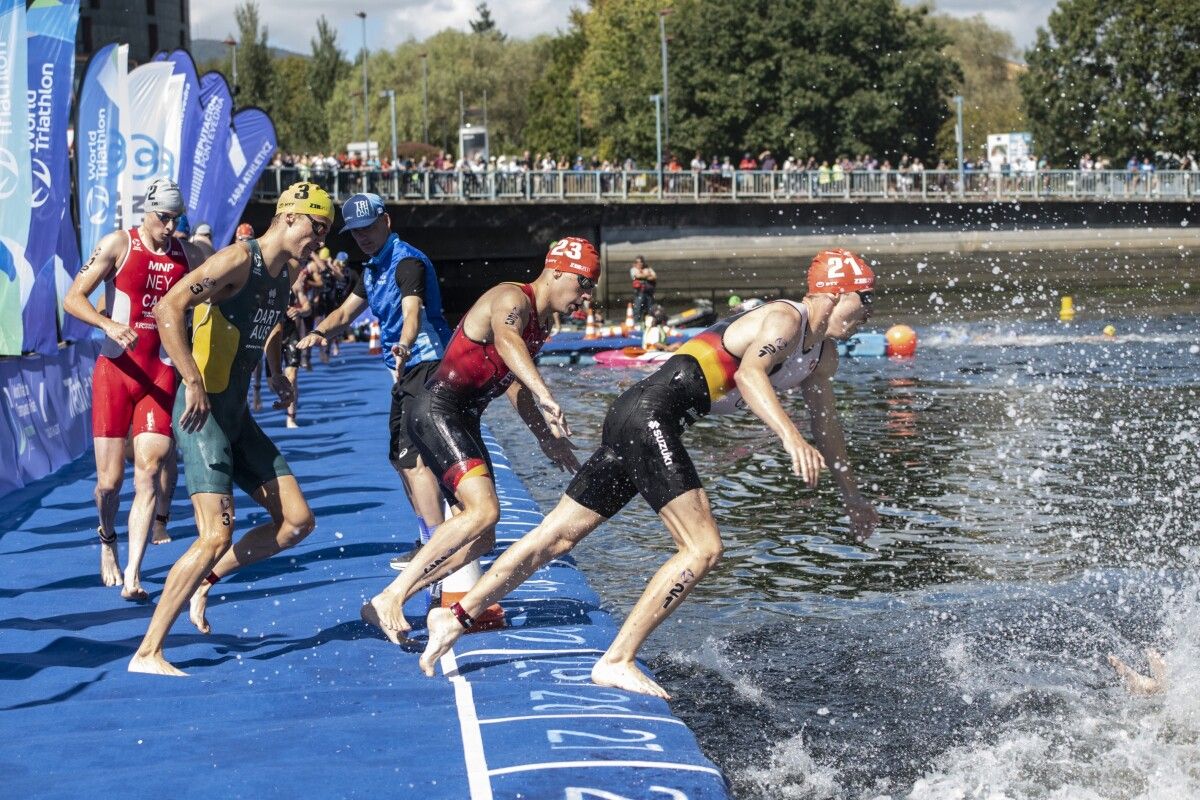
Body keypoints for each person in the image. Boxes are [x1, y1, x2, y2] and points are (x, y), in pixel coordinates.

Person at [420, 248, 882, 698]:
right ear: (837, 293)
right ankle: (617, 660)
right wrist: (788, 436)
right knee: (701, 549)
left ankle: (457, 615)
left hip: (639, 417)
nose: (869, 312)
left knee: (556, 538)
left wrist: (852, 497)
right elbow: (750, 376)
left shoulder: (822, 356)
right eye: (865, 299)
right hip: (649, 417)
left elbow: (828, 427)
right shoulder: (786, 319)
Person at [128, 182, 332, 676]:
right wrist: (191, 380)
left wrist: (278, 370)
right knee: (215, 533)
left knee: (297, 523)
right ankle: (148, 651)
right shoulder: (238, 260)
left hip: (238, 418)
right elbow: (168, 307)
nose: (320, 239)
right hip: (203, 416)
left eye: (326, 231)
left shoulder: (285, 275)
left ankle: (206, 581)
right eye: (315, 226)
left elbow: (271, 327)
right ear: (287, 217)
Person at [360, 237, 598, 642]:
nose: (587, 297)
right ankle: (394, 594)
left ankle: (389, 599)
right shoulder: (511, 299)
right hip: (437, 408)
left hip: (461, 417)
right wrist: (547, 395)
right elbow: (508, 343)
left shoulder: (542, 322)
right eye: (583, 284)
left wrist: (545, 438)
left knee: (484, 533)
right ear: (557, 271)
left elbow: (513, 386)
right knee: (484, 511)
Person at [64, 178, 209, 600]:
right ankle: (107, 540)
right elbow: (74, 298)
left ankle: (133, 574)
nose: (169, 226)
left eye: (176, 219)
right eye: (163, 217)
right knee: (109, 484)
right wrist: (108, 324)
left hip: (160, 374)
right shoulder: (118, 245)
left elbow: (226, 277)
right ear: (147, 211)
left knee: (149, 469)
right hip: (116, 372)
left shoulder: (190, 253)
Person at [295, 192, 453, 566]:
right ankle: (428, 540)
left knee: (413, 460)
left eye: (368, 227)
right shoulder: (373, 268)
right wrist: (319, 333)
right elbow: (346, 314)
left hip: (426, 364)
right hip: (404, 370)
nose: (363, 236)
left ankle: (436, 549)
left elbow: (412, 312)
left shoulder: (406, 262)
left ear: (386, 221)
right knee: (401, 460)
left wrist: (404, 343)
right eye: (355, 232)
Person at [630, 255, 657, 322]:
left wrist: (644, 275)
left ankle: (650, 323)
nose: (640, 263)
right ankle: (636, 323)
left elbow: (654, 277)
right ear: (635, 263)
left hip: (649, 293)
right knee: (638, 309)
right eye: (638, 262)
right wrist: (647, 275)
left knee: (650, 309)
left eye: (641, 262)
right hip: (639, 293)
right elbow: (636, 276)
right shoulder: (633, 269)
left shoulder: (649, 268)